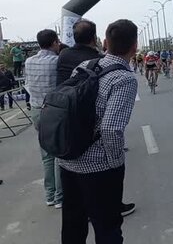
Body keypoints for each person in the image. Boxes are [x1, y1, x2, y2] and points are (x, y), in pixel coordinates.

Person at [59, 19, 138, 244]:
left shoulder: (85, 67)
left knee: (73, 225)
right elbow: (111, 129)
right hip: (98, 168)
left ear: (104, 42)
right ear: (135, 46)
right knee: (107, 228)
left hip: (68, 159)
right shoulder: (124, 79)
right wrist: (115, 164)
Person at [24, 29, 62, 208]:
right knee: (59, 155)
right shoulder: (57, 61)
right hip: (53, 111)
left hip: (37, 111)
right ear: (54, 42)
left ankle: (49, 195)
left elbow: (28, 85)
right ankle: (60, 197)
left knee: (46, 156)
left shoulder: (29, 61)